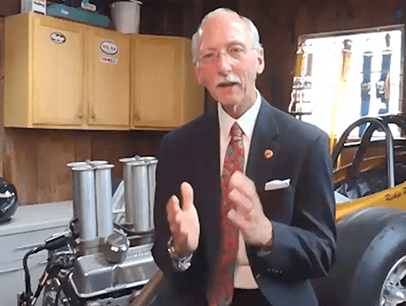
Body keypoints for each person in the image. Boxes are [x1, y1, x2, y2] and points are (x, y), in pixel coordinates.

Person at [151, 7, 336, 306]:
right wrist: (181, 249)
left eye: (235, 50)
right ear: (198, 71)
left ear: (259, 59)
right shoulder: (176, 147)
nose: (223, 66)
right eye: (209, 56)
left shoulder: (306, 144)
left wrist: (268, 234)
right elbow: (162, 248)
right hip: (199, 296)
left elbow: (323, 252)